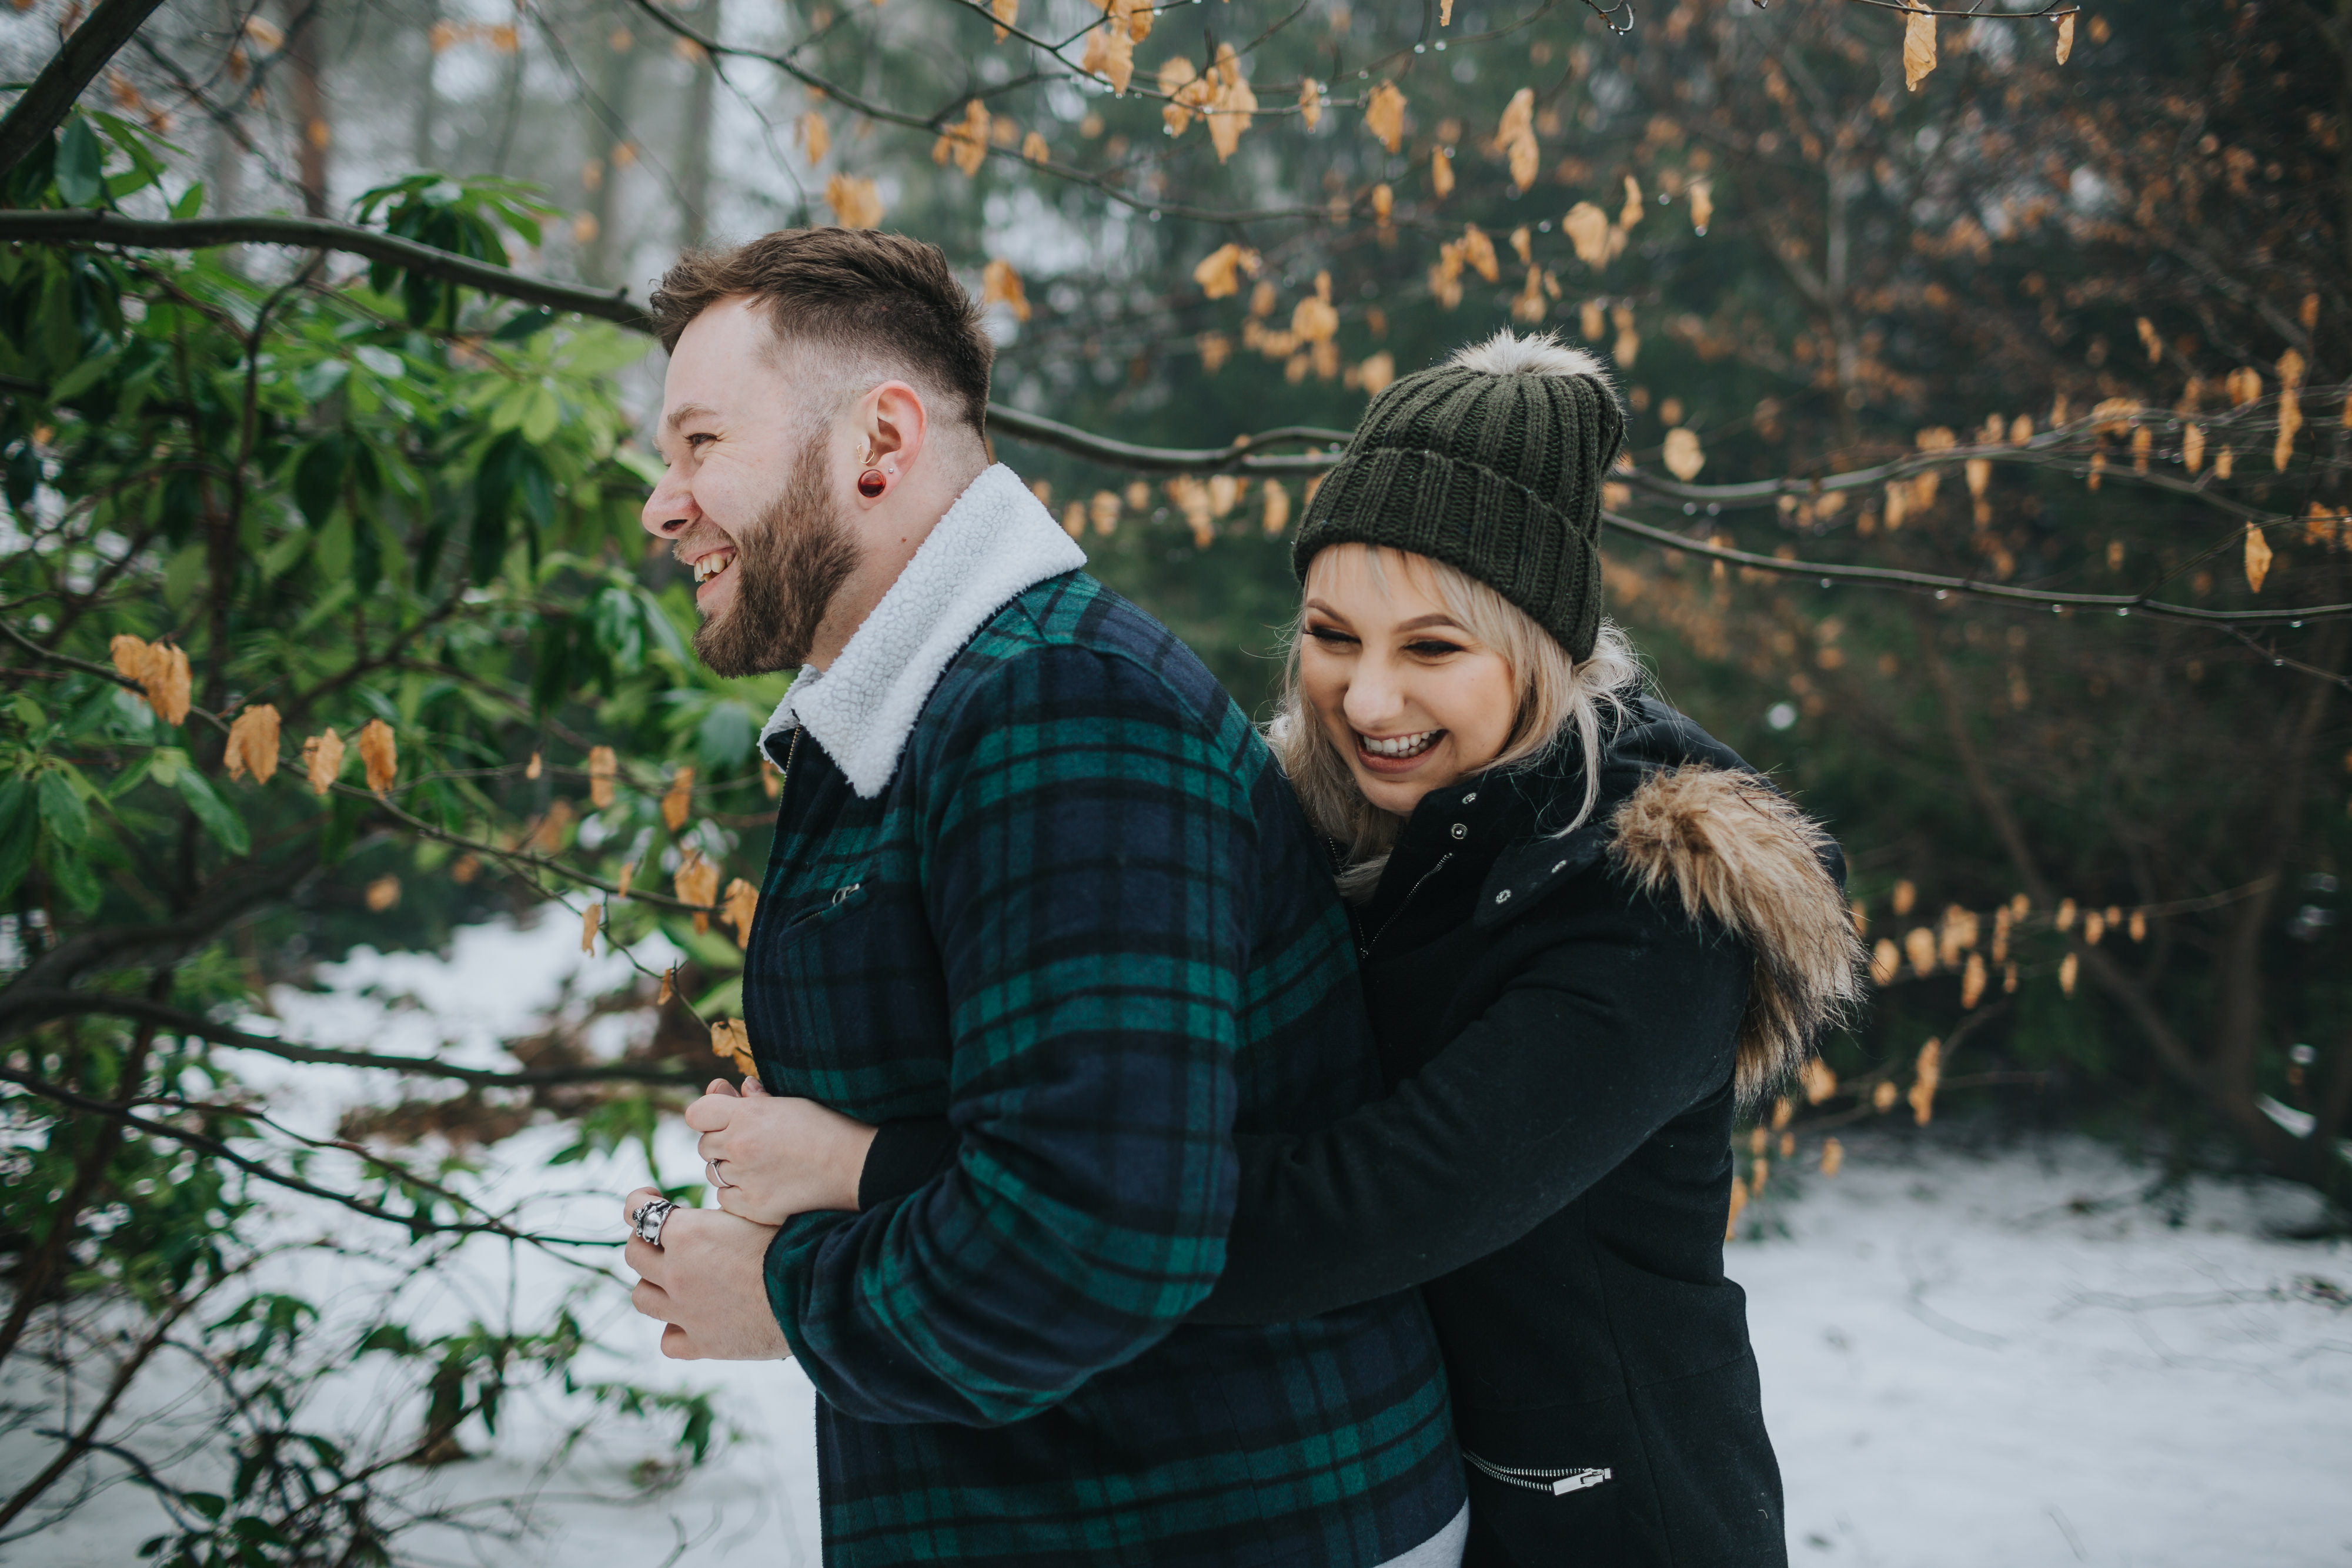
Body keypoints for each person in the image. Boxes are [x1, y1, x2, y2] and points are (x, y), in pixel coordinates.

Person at [691, 329, 1867, 1567]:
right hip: (1404, 1482)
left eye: (1432, 647)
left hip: (1607, 1517)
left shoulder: (1652, 907)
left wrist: (871, 1174)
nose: (1366, 697)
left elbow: (1356, 1208)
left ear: (1540, 650)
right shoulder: (1323, 832)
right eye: (1332, 634)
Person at [616, 226, 1466, 1568]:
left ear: (878, 443)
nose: (662, 507)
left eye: (701, 445)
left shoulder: (1063, 707)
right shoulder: (919, 712)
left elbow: (1092, 1234)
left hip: (1217, 1521)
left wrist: (781, 1294)